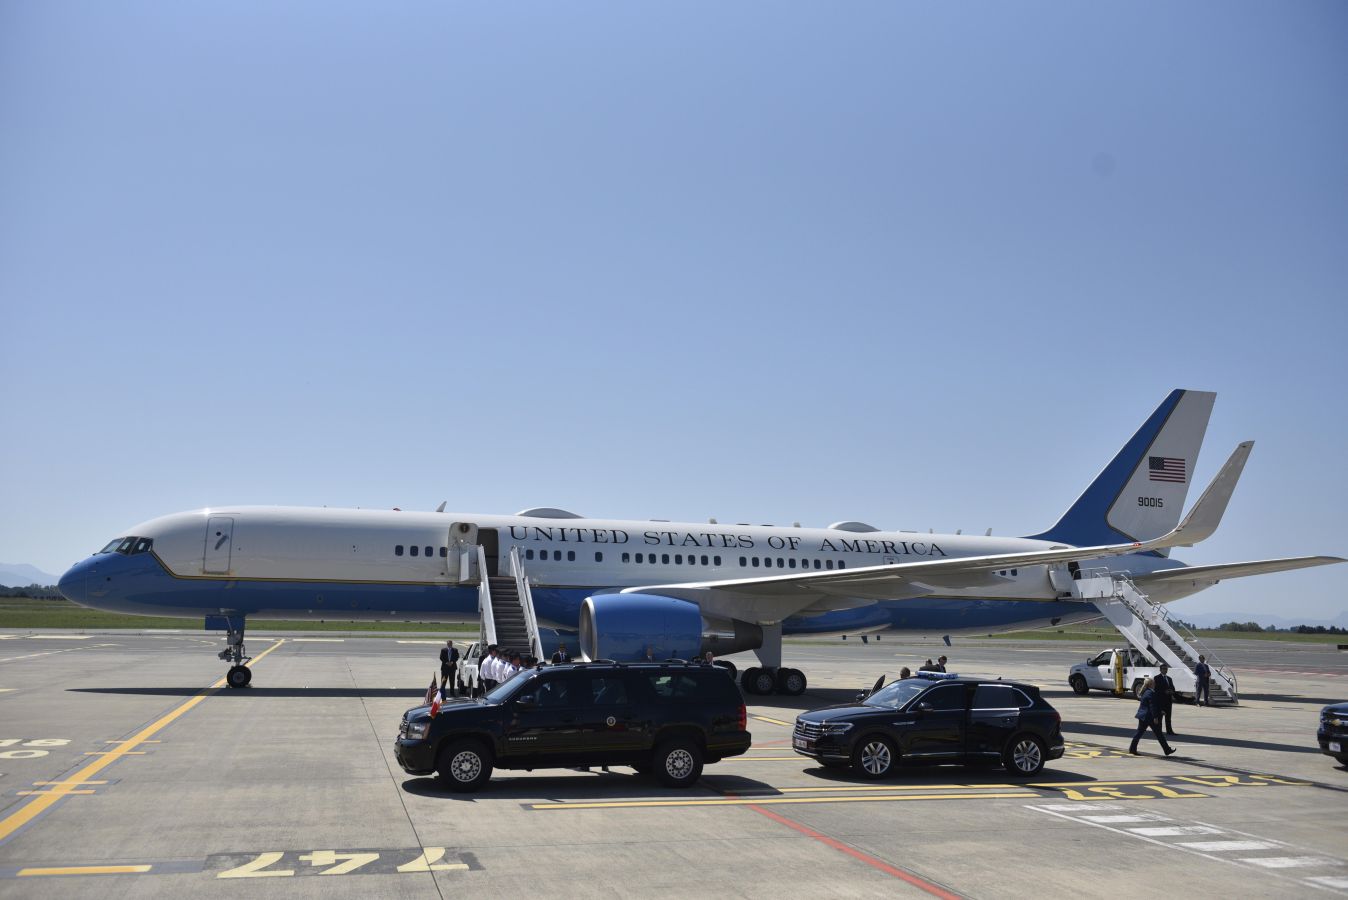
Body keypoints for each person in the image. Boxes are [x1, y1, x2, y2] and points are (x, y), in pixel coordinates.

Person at [1129, 677, 1176, 756]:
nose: (1155, 684)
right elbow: (1152, 706)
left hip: (1143, 716)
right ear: (1150, 684)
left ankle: (1132, 749)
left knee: (1140, 733)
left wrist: (1160, 711)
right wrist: (1155, 717)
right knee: (1158, 734)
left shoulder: (1146, 692)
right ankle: (1167, 750)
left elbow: (1151, 705)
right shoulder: (1151, 693)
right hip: (1149, 717)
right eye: (1154, 683)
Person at [1154, 663, 1177, 735]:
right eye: (1163, 669)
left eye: (1166, 669)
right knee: (1160, 717)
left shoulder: (1169, 679)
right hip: (1161, 701)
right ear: (1160, 670)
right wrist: (1164, 692)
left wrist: (1171, 691)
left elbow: (1173, 688)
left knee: (1168, 717)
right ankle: (1159, 731)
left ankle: (1169, 731)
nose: (1165, 670)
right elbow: (1156, 689)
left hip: (1168, 700)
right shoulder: (1157, 678)